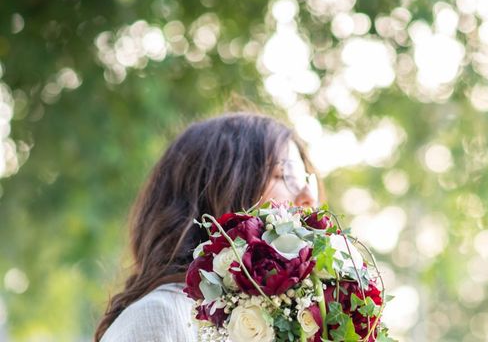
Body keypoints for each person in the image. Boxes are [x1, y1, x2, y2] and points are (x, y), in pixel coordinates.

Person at [94, 111, 321, 341]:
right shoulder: (162, 316)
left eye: (305, 178)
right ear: (226, 186)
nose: (309, 197)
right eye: (287, 174)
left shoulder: (295, 318)